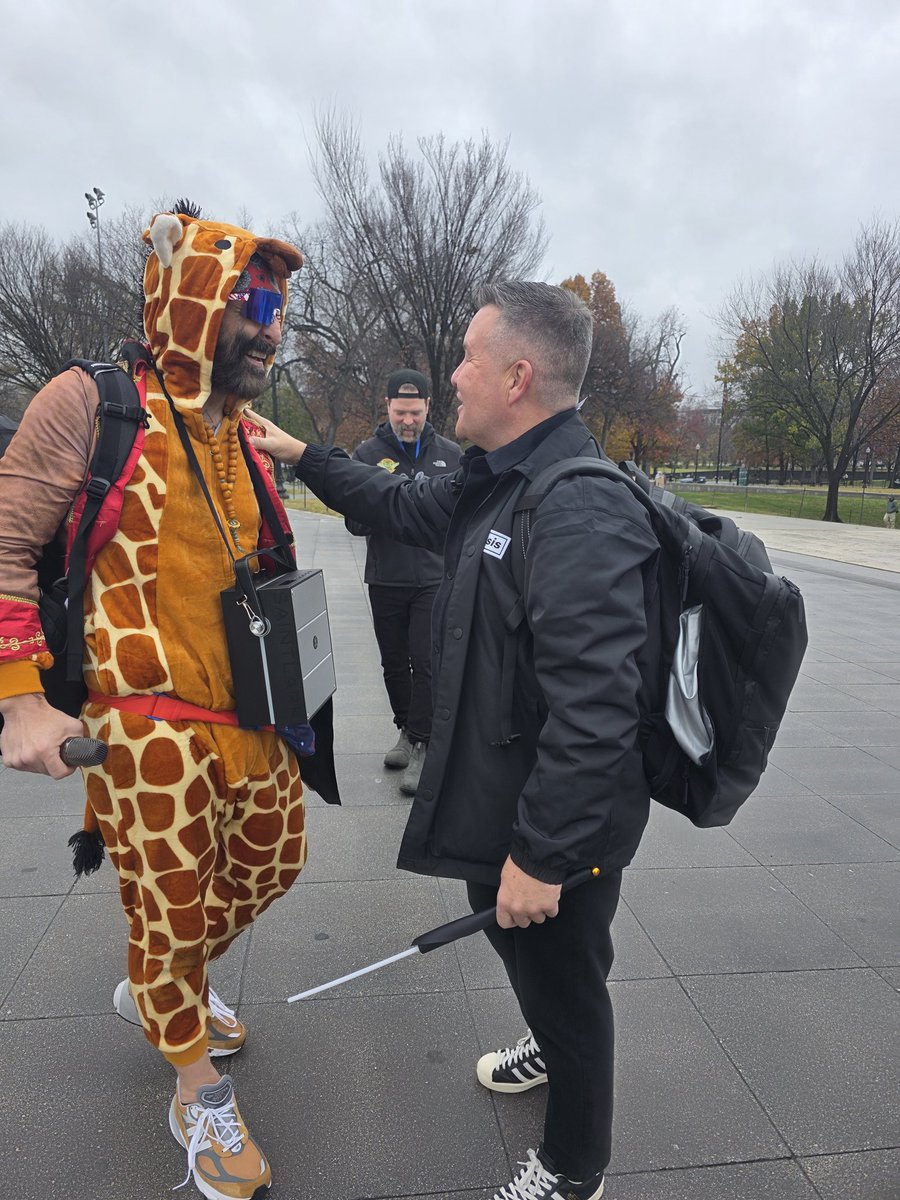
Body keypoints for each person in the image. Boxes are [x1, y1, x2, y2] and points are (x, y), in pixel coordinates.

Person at [250, 281, 662, 1200]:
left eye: (470, 358)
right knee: (528, 963)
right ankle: (549, 1046)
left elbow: (599, 713)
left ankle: (572, 1167)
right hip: (499, 803)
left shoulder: (577, 508)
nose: (453, 377)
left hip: (556, 832)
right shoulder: (495, 480)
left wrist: (543, 858)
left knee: (567, 983)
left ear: (518, 377)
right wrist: (301, 454)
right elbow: (397, 509)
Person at [0, 210, 328, 1200]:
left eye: (280, 306)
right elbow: (7, 546)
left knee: (277, 862)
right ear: (191, 302)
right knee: (170, 907)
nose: (273, 327)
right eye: (255, 303)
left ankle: (161, 988)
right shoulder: (90, 404)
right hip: (143, 724)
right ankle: (194, 1086)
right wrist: (21, 701)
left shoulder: (235, 430)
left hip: (253, 715)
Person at [345, 369, 461, 794]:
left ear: (428, 407)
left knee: (426, 662)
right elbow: (354, 521)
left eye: (414, 412)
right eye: (400, 413)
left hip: (433, 578)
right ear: (387, 408)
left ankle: (425, 744)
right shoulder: (366, 453)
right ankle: (407, 731)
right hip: (385, 577)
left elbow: (462, 520)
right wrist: (389, 500)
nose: (407, 421)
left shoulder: (451, 454)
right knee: (393, 663)